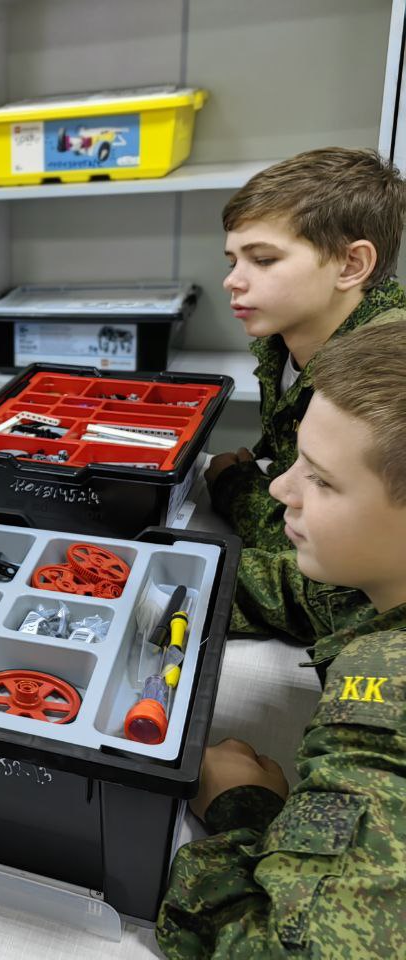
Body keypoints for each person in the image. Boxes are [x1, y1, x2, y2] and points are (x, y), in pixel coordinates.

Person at [158, 322, 406, 957]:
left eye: (320, 479)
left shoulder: (387, 689)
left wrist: (242, 808)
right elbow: (308, 595)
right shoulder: (380, 583)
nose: (279, 488)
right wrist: (152, 584)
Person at [206, 147, 406, 551]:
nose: (232, 281)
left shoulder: (385, 376)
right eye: (233, 262)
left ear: (351, 265)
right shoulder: (286, 339)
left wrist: (236, 489)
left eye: (263, 259)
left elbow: (338, 566)